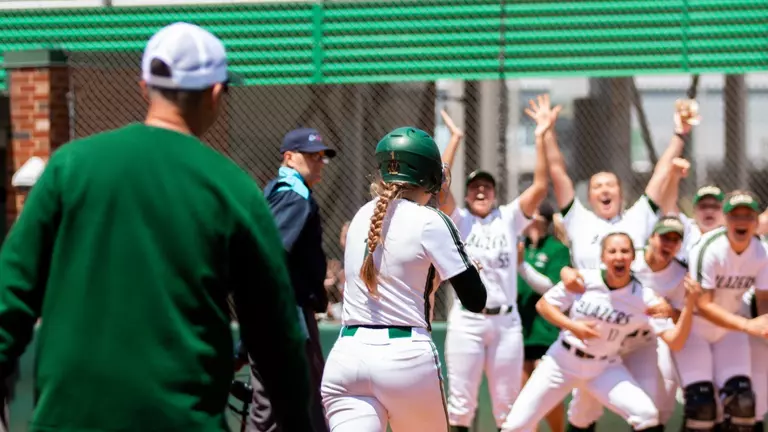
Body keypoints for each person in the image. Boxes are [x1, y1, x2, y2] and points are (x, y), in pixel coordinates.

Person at [0, 22, 312, 431]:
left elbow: (11, 294)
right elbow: (274, 332)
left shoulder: (69, 167)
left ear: (144, 87)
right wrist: (296, 419)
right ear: (215, 93)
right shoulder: (233, 189)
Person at [320, 126, 488, 431]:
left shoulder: (360, 216)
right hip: (405, 357)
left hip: (347, 357)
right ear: (431, 176)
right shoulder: (431, 220)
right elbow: (476, 300)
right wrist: (468, 269)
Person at [500, 232, 700, 432]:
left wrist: (690, 303)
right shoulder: (584, 280)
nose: (619, 256)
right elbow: (544, 305)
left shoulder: (643, 298)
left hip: (603, 367)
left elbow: (675, 341)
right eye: (612, 251)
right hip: (562, 362)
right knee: (515, 425)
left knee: (646, 415)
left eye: (625, 251)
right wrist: (573, 326)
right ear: (603, 257)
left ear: (633, 257)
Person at [437, 97, 552, 431]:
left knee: (508, 407)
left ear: (495, 194)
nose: (481, 191)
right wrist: (454, 139)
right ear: (467, 194)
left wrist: (541, 136)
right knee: (460, 406)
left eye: (487, 187)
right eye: (475, 187)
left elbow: (540, 187)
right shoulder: (460, 219)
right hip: (468, 321)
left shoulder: (509, 217)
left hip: (506, 323)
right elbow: (440, 186)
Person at [247, 127, 335, 432]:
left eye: (321, 156)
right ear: (288, 157)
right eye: (311, 156)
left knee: (283, 409)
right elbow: (269, 257)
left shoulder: (278, 191)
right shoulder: (293, 197)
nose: (319, 162)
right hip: (287, 318)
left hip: (278, 315)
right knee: (289, 409)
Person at [566, 216, 689, 430]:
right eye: (664, 237)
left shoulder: (681, 274)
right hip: (607, 338)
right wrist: (566, 272)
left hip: (643, 341)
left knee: (652, 407)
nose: (668, 244)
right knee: (583, 410)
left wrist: (671, 311)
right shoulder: (626, 256)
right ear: (651, 238)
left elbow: (678, 319)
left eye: (674, 239)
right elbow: (593, 277)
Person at [678, 191, 768, 432]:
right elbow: (703, 304)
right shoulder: (709, 248)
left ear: (756, 221)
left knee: (743, 403)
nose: (742, 221)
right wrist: (748, 325)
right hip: (696, 330)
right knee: (702, 407)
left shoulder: (761, 251)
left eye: (748, 216)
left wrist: (764, 323)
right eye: (735, 215)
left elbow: (763, 298)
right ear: (725, 219)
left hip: (731, 333)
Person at [516, 201, 571, 432]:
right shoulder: (520, 246)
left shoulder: (557, 249)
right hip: (519, 330)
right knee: (523, 397)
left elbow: (551, 288)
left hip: (544, 331)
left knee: (546, 395)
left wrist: (522, 266)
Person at [677, 185, 725, 260]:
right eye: (703, 206)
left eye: (714, 206)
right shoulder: (686, 229)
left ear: (724, 212)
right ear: (694, 211)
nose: (709, 211)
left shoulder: (730, 236)